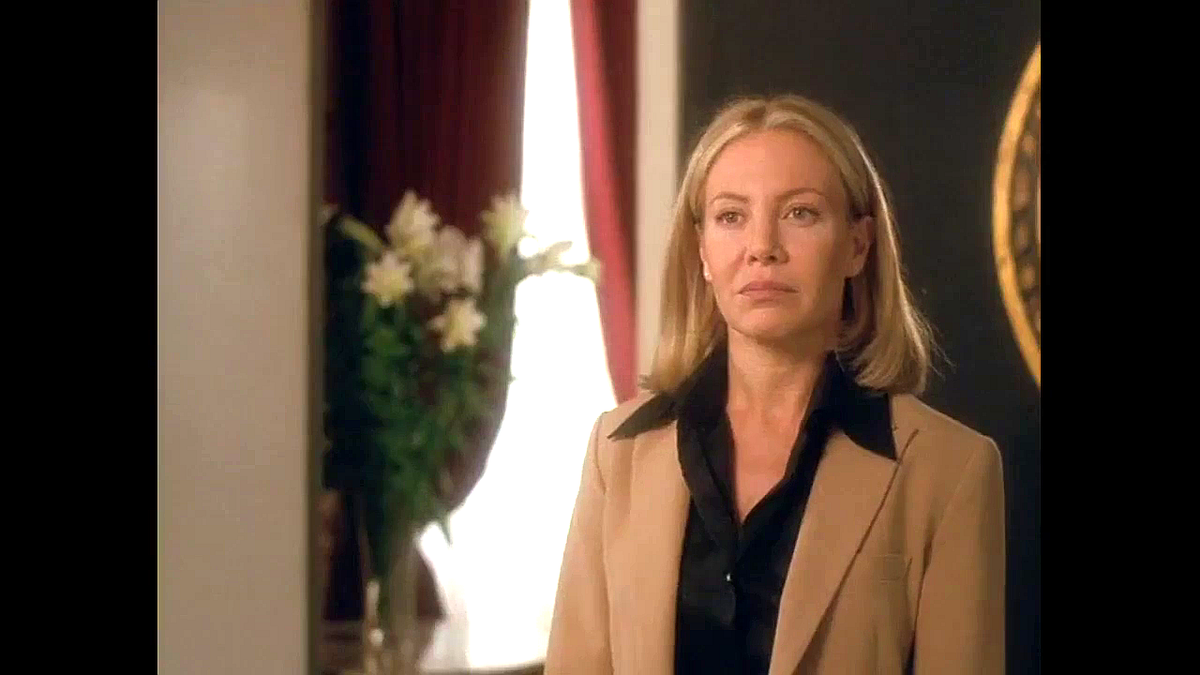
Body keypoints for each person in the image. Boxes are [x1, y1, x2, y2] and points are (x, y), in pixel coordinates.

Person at [544, 94, 1005, 675]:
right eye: (731, 217)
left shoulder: (951, 470)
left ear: (857, 246)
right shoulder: (618, 454)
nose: (762, 247)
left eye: (800, 213)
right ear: (702, 252)